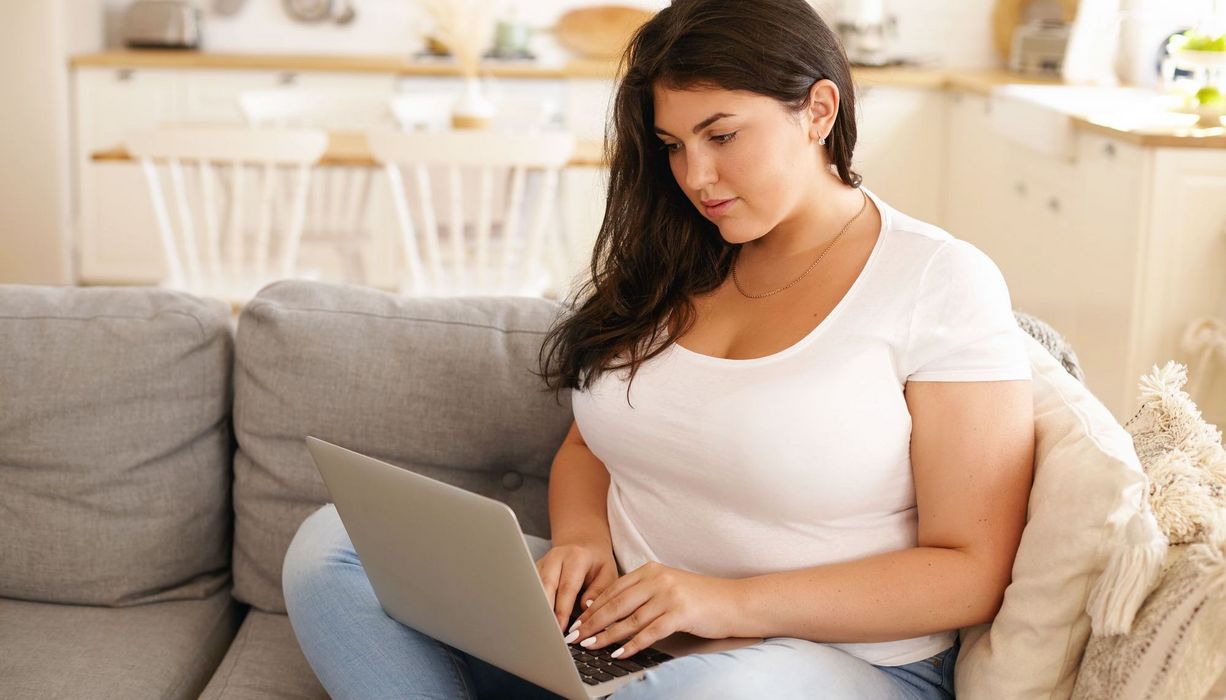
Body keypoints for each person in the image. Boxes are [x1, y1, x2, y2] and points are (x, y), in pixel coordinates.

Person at [281, 0, 1036, 697]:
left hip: (829, 663)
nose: (695, 177)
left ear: (818, 110)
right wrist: (581, 542)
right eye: (673, 145)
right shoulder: (674, 257)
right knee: (333, 548)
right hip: (624, 638)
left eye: (722, 134)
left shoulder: (939, 280)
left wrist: (730, 603)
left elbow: (968, 571)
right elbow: (591, 440)